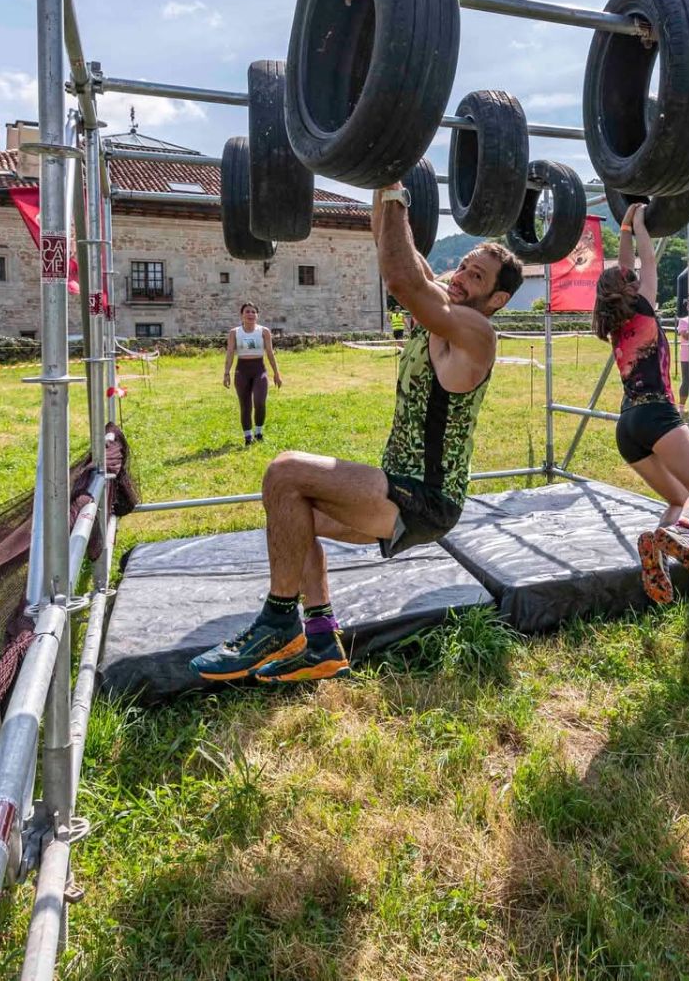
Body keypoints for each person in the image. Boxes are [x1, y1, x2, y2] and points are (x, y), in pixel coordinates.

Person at [189, 179, 522, 685]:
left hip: (425, 497)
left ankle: (279, 619)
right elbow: (397, 251)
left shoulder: (476, 333)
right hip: (401, 485)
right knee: (292, 511)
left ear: (496, 298)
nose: (461, 277)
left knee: (283, 472)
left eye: (476, 276)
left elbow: (401, 280)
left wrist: (396, 197)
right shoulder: (440, 308)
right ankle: (321, 640)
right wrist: (386, 182)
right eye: (463, 266)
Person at [594, 204, 689, 605]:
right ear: (630, 288)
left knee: (676, 496)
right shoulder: (644, 306)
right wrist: (639, 228)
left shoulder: (614, 321)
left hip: (627, 426)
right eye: (633, 278)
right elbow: (647, 260)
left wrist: (623, 229)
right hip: (655, 414)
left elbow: (625, 266)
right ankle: (685, 531)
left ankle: (656, 550)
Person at [222, 303, 281, 446]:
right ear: (242, 315)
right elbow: (230, 353)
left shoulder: (264, 331)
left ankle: (259, 432)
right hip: (242, 370)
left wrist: (276, 373)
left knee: (260, 402)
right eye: (247, 312)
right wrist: (226, 373)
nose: (250, 314)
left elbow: (270, 353)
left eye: (253, 312)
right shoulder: (234, 332)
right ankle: (248, 436)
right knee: (245, 405)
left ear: (257, 315)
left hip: (259, 369)